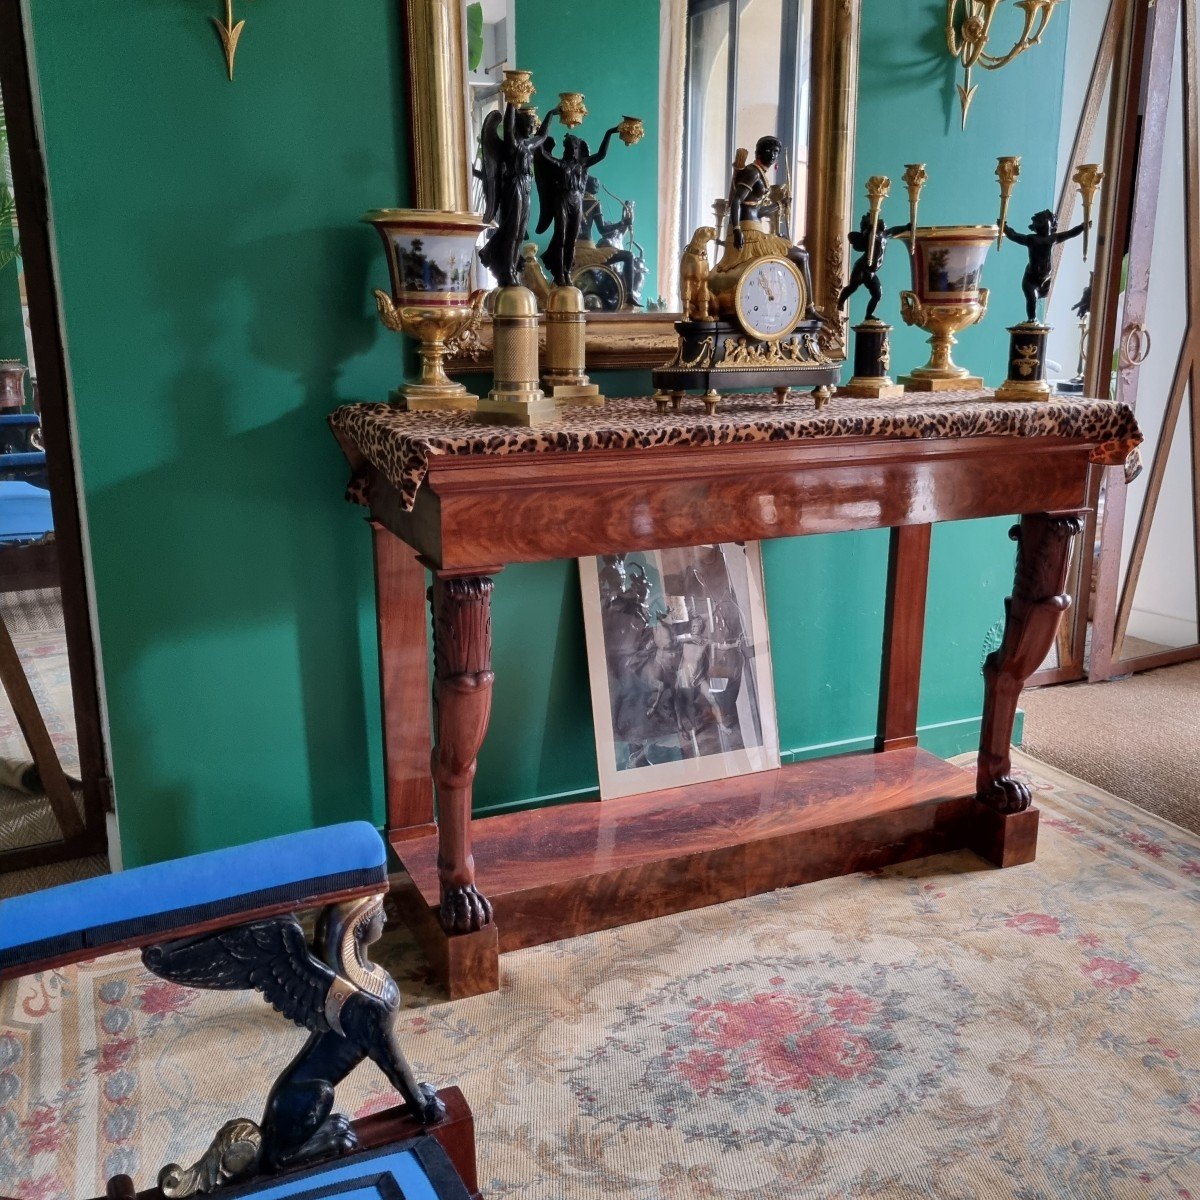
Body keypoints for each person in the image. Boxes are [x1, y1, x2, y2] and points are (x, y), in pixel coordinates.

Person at [716, 135, 818, 318]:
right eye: (769, 150)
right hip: (750, 234)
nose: (773, 155)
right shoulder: (753, 172)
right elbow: (736, 202)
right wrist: (737, 229)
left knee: (800, 256)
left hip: (756, 227)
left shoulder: (759, 173)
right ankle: (808, 308)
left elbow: (758, 212)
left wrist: (779, 205)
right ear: (759, 152)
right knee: (802, 256)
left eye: (776, 152)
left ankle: (799, 307)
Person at [477, 103, 559, 288]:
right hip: (513, 187)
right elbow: (507, 125)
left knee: (520, 233)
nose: (531, 129)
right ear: (519, 125)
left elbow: (543, 135)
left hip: (526, 188)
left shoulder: (529, 145)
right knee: (512, 230)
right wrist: (513, 100)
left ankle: (512, 267)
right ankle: (507, 271)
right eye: (528, 125)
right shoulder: (511, 144)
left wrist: (551, 113)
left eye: (532, 126)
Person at [534, 126, 621, 286]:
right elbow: (540, 153)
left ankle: (567, 272)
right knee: (561, 236)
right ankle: (559, 274)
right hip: (561, 200)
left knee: (572, 240)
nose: (572, 150)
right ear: (565, 149)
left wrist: (609, 132)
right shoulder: (558, 164)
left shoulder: (582, 164)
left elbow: (601, 154)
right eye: (569, 147)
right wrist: (541, 131)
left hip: (576, 201)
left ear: (577, 149)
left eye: (574, 147)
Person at [1003, 209, 1088, 324]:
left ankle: (1033, 320)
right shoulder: (1031, 239)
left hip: (1045, 280)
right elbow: (1014, 236)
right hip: (1030, 280)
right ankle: (1032, 320)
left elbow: (1070, 233)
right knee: (1032, 299)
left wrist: (1083, 226)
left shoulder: (1053, 238)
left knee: (1034, 299)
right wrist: (1004, 227)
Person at [837, 213, 912, 322]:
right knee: (853, 287)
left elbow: (894, 230)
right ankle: (840, 302)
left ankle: (869, 315)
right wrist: (868, 231)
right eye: (879, 220)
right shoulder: (871, 235)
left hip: (871, 272)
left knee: (877, 294)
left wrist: (905, 227)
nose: (883, 222)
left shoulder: (884, 234)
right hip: (862, 268)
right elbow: (855, 239)